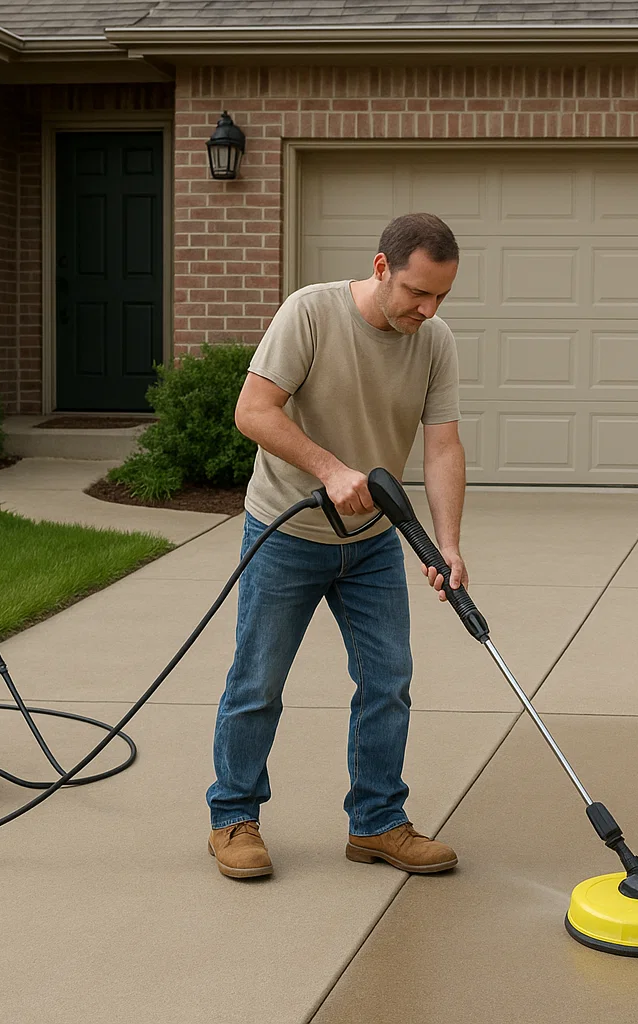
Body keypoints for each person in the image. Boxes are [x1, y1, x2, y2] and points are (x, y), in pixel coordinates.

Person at [206, 212, 467, 880]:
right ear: (382, 269)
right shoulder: (311, 313)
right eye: (417, 291)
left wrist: (446, 547)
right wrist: (330, 468)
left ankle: (378, 823)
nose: (428, 308)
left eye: (441, 295)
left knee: (388, 681)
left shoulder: (434, 341)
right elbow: (252, 412)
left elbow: (442, 446)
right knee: (257, 682)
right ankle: (233, 817)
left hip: (374, 542)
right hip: (285, 531)